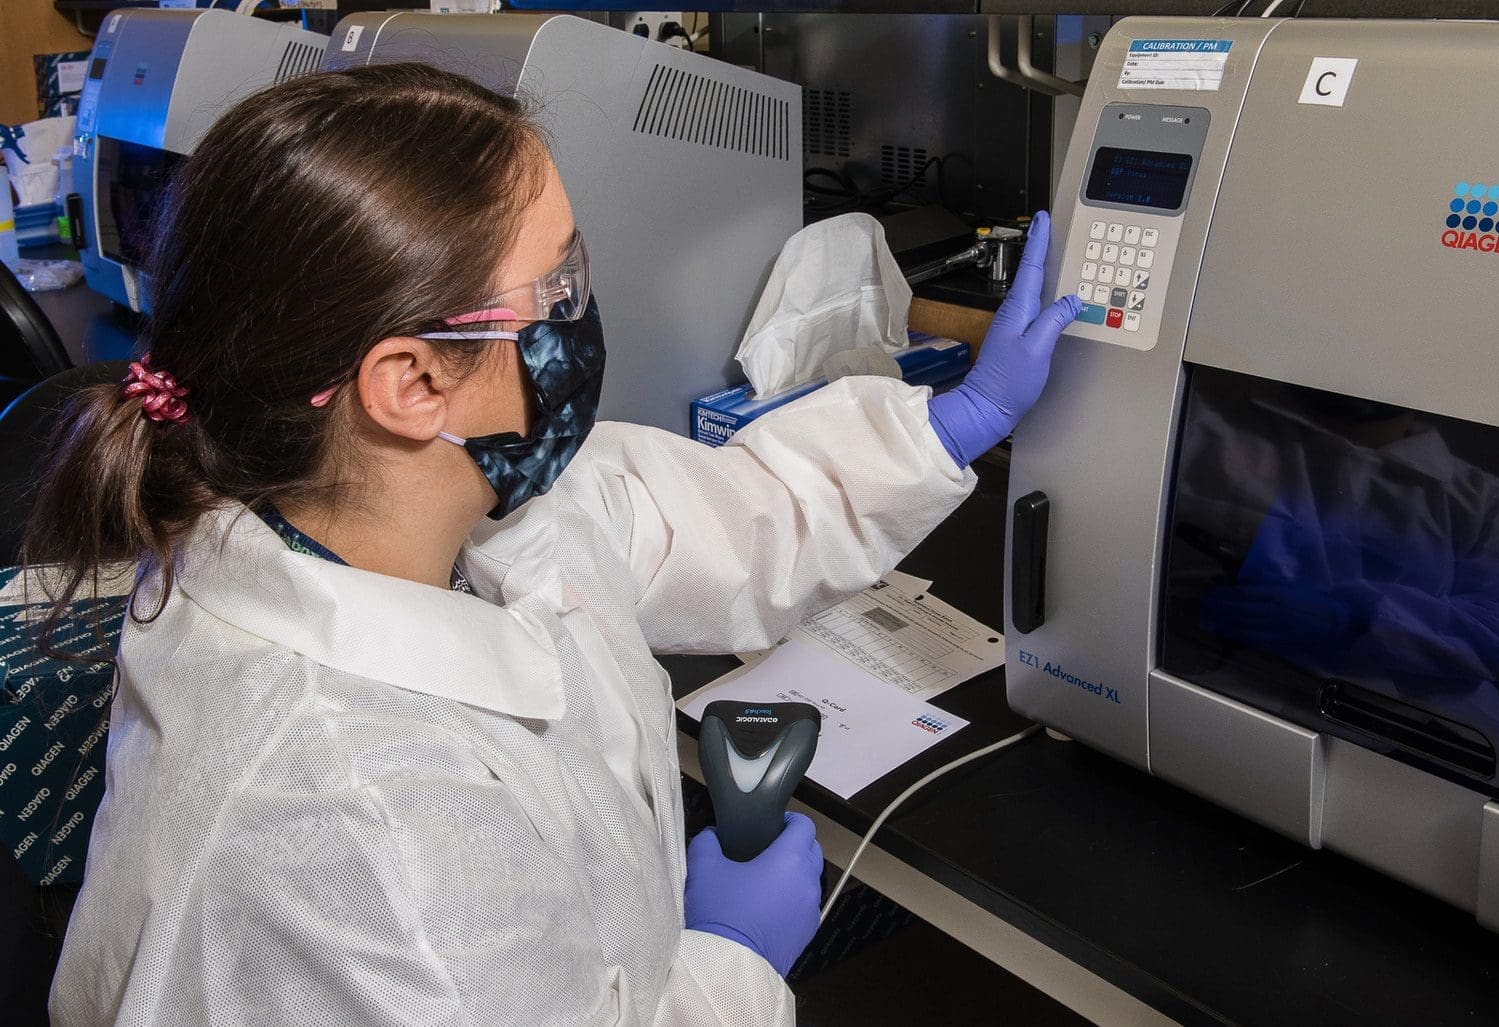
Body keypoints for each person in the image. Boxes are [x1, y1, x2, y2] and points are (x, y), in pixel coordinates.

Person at [25, 64, 1079, 1025]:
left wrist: (949, 424)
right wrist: (732, 962)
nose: (582, 310)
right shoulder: (358, 827)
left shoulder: (414, 507)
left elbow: (699, 516)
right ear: (411, 383)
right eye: (557, 289)